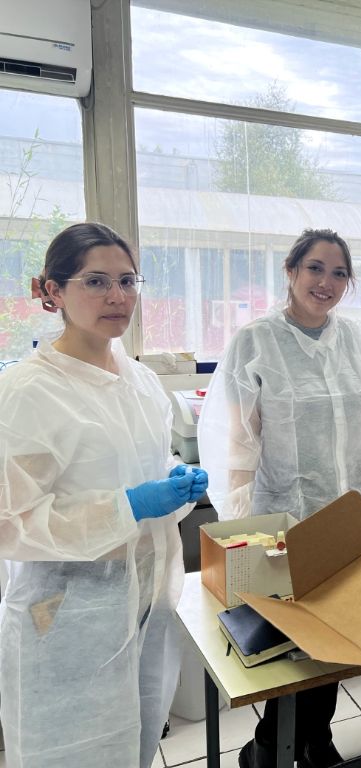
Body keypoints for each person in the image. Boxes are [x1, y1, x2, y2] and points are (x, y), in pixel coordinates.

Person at [0, 222, 206, 768]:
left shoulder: (139, 381)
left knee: (136, 741)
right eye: (95, 281)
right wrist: (129, 506)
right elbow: (11, 522)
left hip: (144, 603)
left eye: (128, 281)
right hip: (65, 617)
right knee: (74, 753)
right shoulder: (28, 391)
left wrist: (177, 480)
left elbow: (144, 465)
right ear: (54, 291)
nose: (117, 297)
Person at [198, 228, 361, 768]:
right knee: (288, 649)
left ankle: (315, 740)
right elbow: (239, 444)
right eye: (314, 268)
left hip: (346, 520)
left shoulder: (355, 341)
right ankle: (268, 746)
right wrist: (243, 528)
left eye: (338, 273)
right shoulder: (255, 341)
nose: (325, 282)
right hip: (281, 523)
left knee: (335, 640)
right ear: (290, 271)